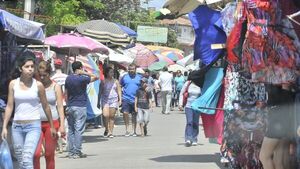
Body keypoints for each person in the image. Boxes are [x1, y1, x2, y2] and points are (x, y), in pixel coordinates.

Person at [1, 51, 56, 169]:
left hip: (33, 126)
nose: (30, 69)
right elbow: (10, 106)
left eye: (32, 66)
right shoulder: (13, 84)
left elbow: (46, 106)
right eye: (27, 67)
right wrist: (4, 127)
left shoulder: (38, 85)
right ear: (20, 68)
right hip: (16, 127)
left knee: (27, 158)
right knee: (21, 160)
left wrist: (52, 125)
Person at [34, 61, 65, 169]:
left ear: (49, 73)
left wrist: (62, 125)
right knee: (36, 154)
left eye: (44, 75)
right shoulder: (35, 85)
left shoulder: (55, 86)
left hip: (52, 123)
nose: (42, 77)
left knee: (49, 153)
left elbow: (60, 106)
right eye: (40, 75)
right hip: (35, 123)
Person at [65, 61, 98, 159]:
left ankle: (71, 151)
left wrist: (67, 105)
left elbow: (66, 92)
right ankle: (77, 151)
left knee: (71, 129)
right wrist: (84, 73)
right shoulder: (82, 79)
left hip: (70, 105)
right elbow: (96, 77)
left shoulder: (68, 78)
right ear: (80, 68)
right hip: (80, 105)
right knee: (78, 129)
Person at [259, 84, 295, 169]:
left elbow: (286, 85)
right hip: (282, 117)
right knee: (278, 161)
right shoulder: (275, 75)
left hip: (279, 118)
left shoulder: (277, 75)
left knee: (265, 157)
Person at [120, 63, 142, 137]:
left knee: (134, 115)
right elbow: (120, 86)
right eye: (129, 69)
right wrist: (120, 96)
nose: (131, 70)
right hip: (126, 98)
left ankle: (134, 131)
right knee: (125, 113)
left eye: (132, 69)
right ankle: (127, 130)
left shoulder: (139, 77)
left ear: (135, 69)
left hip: (135, 99)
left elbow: (143, 87)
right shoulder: (124, 77)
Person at [100, 67, 122, 138]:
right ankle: (106, 128)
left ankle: (110, 132)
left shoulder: (116, 81)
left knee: (112, 116)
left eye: (113, 72)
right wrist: (98, 101)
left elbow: (119, 90)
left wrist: (120, 99)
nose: (112, 73)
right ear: (107, 73)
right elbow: (100, 91)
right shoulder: (103, 81)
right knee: (105, 115)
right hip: (105, 100)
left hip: (113, 100)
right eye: (110, 72)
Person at [178, 80, 201, 146]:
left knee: (195, 123)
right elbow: (181, 93)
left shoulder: (200, 83)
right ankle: (188, 138)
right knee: (189, 122)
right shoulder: (188, 83)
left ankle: (194, 138)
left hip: (197, 106)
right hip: (188, 106)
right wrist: (180, 104)